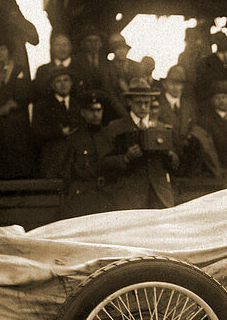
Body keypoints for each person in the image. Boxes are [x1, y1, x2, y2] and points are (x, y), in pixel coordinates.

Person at [101, 78, 179, 209]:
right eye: (138, 103)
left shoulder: (161, 128)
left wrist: (169, 155)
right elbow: (103, 162)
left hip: (159, 196)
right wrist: (126, 158)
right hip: (130, 197)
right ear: (129, 102)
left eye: (146, 103)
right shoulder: (115, 128)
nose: (143, 107)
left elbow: (175, 164)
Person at [0, 39, 35, 179]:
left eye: (2, 49)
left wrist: (14, 104)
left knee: (19, 152)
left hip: (17, 119)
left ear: (8, 50)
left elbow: (28, 92)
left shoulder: (20, 68)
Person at [59, 91, 114, 219]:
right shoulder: (75, 139)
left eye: (99, 110)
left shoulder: (109, 135)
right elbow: (66, 171)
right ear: (83, 113)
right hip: (83, 197)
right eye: (91, 110)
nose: (96, 114)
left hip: (107, 197)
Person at [31, 67, 80, 179]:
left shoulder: (79, 103)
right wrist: (60, 132)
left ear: (71, 83)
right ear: (52, 85)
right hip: (53, 154)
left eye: (66, 80)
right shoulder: (42, 106)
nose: (63, 84)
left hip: (77, 153)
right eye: (59, 81)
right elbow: (37, 131)